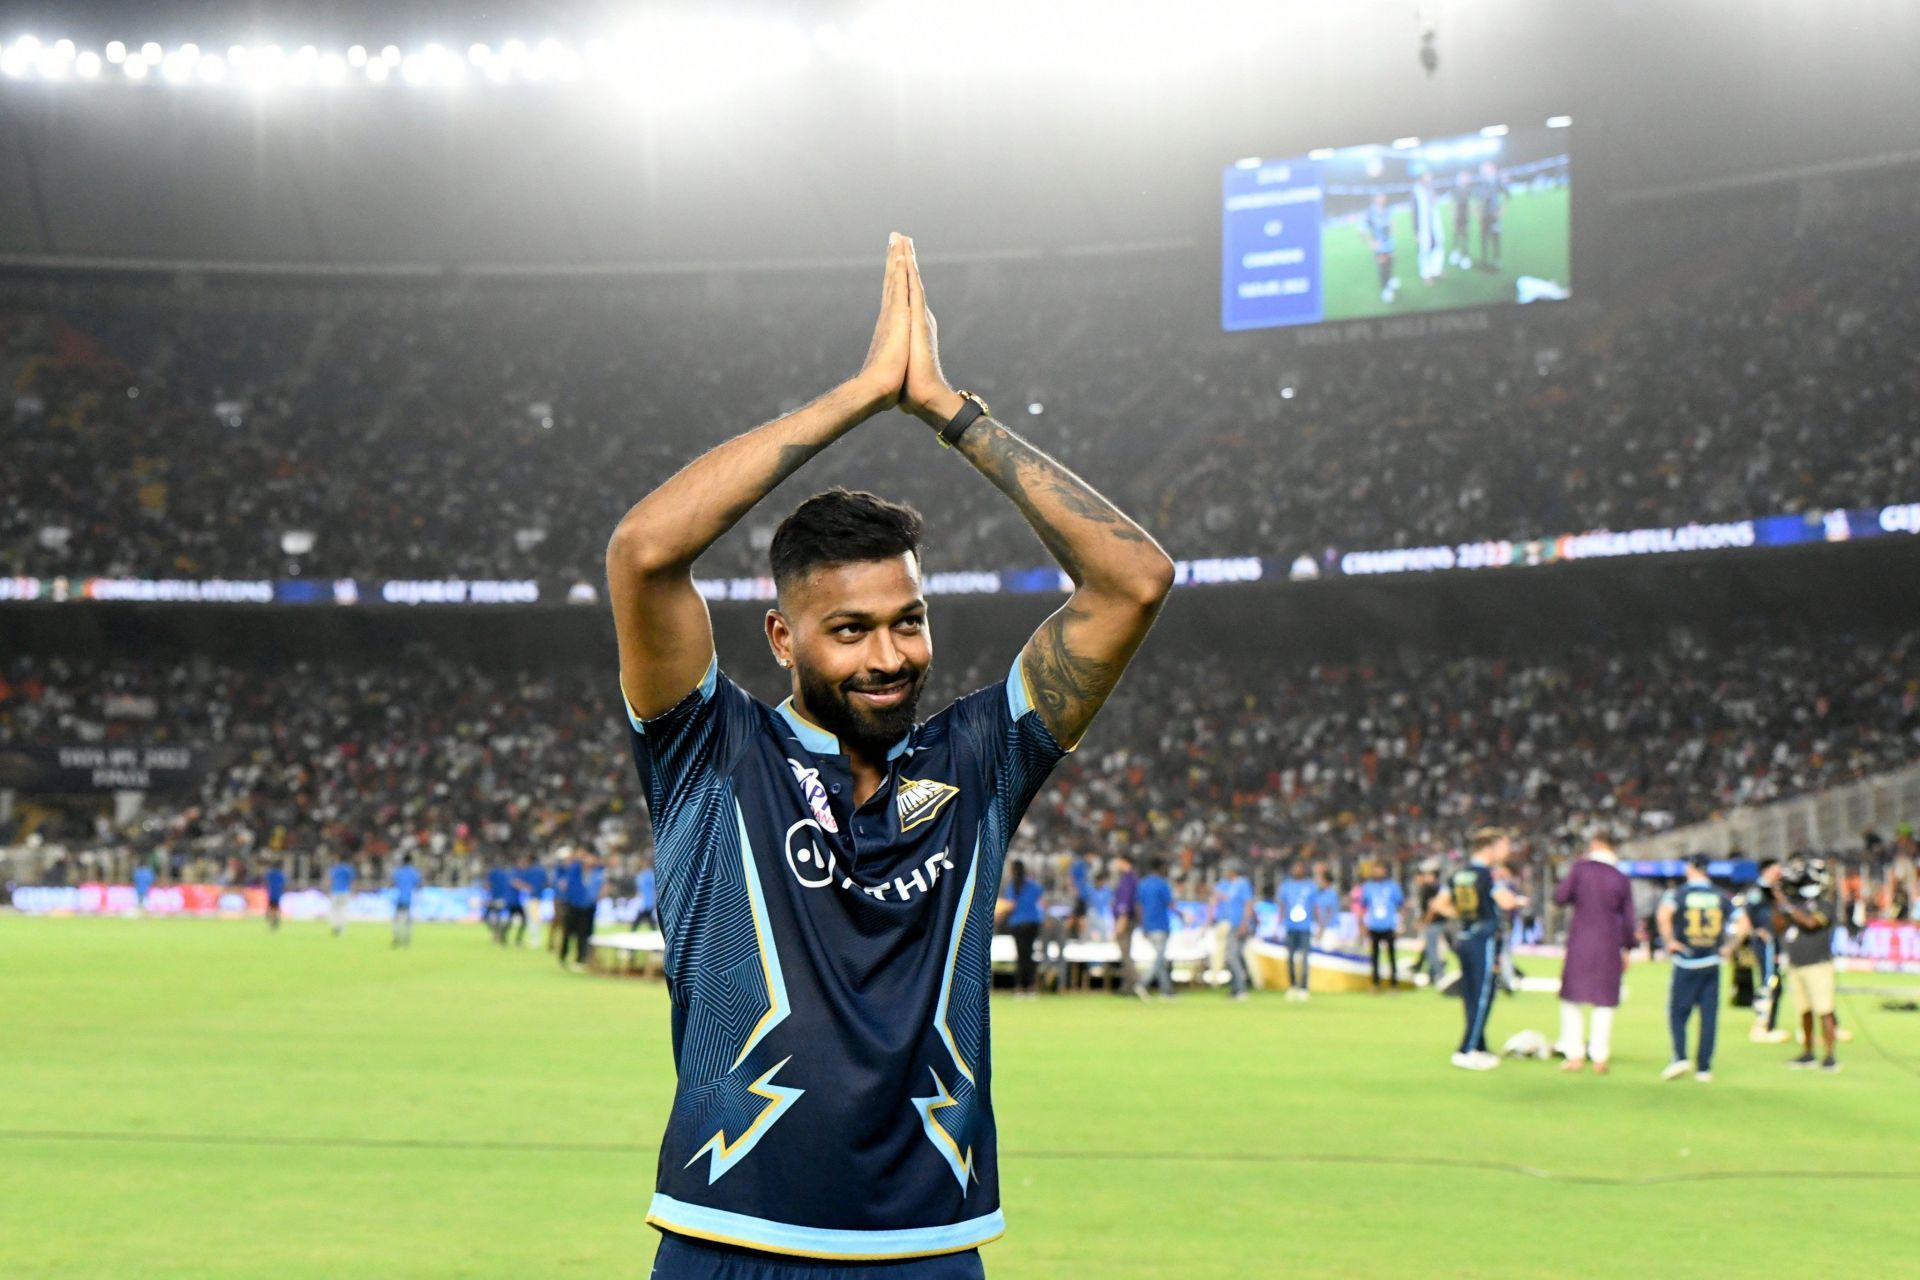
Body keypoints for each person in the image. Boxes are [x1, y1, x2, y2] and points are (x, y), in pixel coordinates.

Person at [605, 234, 1172, 1272]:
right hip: (731, 1238)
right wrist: (863, 394)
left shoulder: (980, 758)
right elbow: (644, 552)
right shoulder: (710, 748)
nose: (889, 654)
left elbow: (1133, 579)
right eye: (850, 627)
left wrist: (952, 416)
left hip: (928, 1246)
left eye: (907, 620)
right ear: (784, 637)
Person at [1434, 829, 1522, 1070]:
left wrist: (1462, 915)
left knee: (1471, 994)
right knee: (1483, 993)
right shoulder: (1489, 875)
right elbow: (1505, 901)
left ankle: (1479, 1045)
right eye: (1504, 846)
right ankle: (1467, 1049)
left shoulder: (1459, 873)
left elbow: (1440, 904)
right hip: (1485, 938)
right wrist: (1517, 900)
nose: (1507, 852)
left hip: (1464, 936)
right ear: (1489, 847)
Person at [1657, 854, 1750, 1083]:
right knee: (1709, 1015)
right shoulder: (1719, 895)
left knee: (1678, 1012)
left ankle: (1680, 1056)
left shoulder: (1679, 893)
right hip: (1711, 960)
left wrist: (1670, 941)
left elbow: (1663, 915)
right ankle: (1704, 1067)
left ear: (1690, 868)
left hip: (1686, 960)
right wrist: (1730, 946)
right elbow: (1744, 923)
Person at [1553, 830, 1637, 1074]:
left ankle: (1574, 1054)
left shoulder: (1581, 870)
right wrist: (1628, 948)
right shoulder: (1621, 877)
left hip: (1580, 941)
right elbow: (1629, 919)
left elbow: (1560, 896)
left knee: (1571, 999)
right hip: (1610, 943)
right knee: (1605, 1001)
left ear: (1596, 844)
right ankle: (1600, 1056)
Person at [1778, 867, 1841, 1072]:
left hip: (1818, 965)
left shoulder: (1825, 905)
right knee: (1804, 1011)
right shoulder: (1797, 904)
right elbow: (1780, 926)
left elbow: (1811, 923)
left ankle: (1830, 1055)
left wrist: (1787, 907)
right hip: (1797, 965)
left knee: (1824, 1010)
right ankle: (1808, 1053)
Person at [1743, 859, 1789, 1042]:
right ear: (1766, 870)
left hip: (1777, 942)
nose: (1779, 872)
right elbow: (1746, 913)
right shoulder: (1757, 891)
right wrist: (1758, 930)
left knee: (1774, 982)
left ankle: (1767, 1022)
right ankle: (1763, 1024)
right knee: (1769, 981)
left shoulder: (1775, 891)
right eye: (1776, 869)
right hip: (1766, 944)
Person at [996, 860, 1045, 997]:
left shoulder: (1013, 887)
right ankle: (1031, 986)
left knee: (1021, 956)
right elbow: (1041, 901)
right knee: (1029, 954)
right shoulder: (1033, 885)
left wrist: (1000, 914)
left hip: (1018, 923)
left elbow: (1011, 905)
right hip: (1033, 922)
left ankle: (1019, 987)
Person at [1210, 861, 1254, 1000]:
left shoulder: (1243, 884)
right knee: (1233, 956)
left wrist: (1244, 924)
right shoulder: (1230, 885)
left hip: (1238, 924)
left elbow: (1248, 904)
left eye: (1227, 870)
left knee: (1232, 956)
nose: (1225, 872)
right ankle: (1236, 987)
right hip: (1231, 924)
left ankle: (1241, 988)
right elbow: (1220, 897)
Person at [1135, 857, 1177, 1000]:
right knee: (1159, 959)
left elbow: (1139, 907)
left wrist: (1143, 926)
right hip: (1160, 925)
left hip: (1148, 925)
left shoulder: (1143, 884)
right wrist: (1183, 915)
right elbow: (1170, 903)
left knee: (1160, 958)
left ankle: (1167, 991)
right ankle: (1142, 983)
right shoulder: (1162, 884)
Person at [1360, 861, 1405, 990]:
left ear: (1385, 871)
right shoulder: (1368, 886)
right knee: (1374, 957)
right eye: (1375, 870)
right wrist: (1362, 925)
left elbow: (1401, 906)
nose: (1377, 872)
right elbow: (1363, 907)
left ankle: (1393, 984)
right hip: (1373, 926)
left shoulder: (1392, 886)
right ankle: (1375, 983)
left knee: (1391, 956)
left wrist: (1400, 924)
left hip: (1389, 925)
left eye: (1379, 869)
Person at [1277, 859, 1318, 1001]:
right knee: (1290, 958)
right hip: (1290, 927)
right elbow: (1282, 906)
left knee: (1305, 958)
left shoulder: (1311, 886)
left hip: (1305, 927)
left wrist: (1317, 924)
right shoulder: (1286, 886)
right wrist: (1278, 924)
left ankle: (1304, 988)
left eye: (1300, 868)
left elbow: (1315, 906)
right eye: (1295, 868)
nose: (1297, 870)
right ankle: (1292, 986)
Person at [557, 849, 601, 971]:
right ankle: (563, 956)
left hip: (587, 908)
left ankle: (580, 959)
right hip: (573, 905)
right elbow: (563, 870)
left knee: (584, 934)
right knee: (567, 933)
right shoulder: (574, 870)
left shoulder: (597, 873)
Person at [1415, 861, 1449, 990]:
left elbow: (1432, 907)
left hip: (1434, 922)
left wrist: (1425, 921)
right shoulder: (1438, 887)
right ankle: (1432, 973)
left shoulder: (1429, 888)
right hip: (1439, 921)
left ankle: (1439, 975)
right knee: (1430, 949)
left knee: (1432, 949)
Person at [1109, 854, 1139, 993]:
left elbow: (1125, 903)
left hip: (1124, 920)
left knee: (1125, 953)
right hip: (1125, 919)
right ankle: (1128, 986)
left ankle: (1137, 983)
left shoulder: (1127, 880)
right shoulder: (1128, 878)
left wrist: (1121, 921)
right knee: (1126, 953)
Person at [1363, 192, 1398, 304]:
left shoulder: (1386, 209)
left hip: (1389, 243)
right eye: (1380, 196)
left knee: (1390, 262)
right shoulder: (1370, 212)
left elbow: (1388, 223)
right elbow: (1361, 228)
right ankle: (1385, 289)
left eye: (1384, 196)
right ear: (1375, 198)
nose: (1383, 198)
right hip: (1380, 246)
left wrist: (1392, 225)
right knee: (1383, 267)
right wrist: (1371, 241)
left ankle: (1390, 281)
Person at [1411, 168, 1444, 285]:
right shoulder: (1415, 191)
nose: (1429, 178)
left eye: (1430, 176)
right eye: (1427, 176)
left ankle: (1436, 270)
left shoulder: (1430, 189)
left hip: (1434, 225)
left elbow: (1434, 204)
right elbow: (1414, 213)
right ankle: (1426, 274)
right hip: (1423, 227)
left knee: (1438, 246)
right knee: (1424, 250)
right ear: (1421, 178)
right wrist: (1416, 231)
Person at [391, 853, 421, 949]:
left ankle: (396, 937)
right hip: (408, 898)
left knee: (397, 919)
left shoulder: (398, 872)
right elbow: (418, 885)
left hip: (399, 898)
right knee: (408, 920)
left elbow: (393, 883)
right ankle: (406, 939)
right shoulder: (414, 872)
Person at [1449, 170, 1474, 269]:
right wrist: (1453, 214)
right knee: (1456, 234)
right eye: (1463, 177)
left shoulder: (1469, 189)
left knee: (1465, 235)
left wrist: (1471, 212)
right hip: (1457, 216)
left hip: (1466, 216)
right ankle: (1455, 252)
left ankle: (1465, 255)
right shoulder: (1455, 189)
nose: (1465, 179)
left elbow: (1471, 202)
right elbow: (1451, 202)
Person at [327, 856, 355, 937]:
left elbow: (330, 881)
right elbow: (352, 881)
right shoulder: (348, 869)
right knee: (343, 910)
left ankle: (335, 926)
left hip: (335, 891)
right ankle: (342, 929)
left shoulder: (335, 869)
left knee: (334, 910)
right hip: (345, 892)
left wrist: (328, 890)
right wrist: (353, 891)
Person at [630, 857, 657, 932]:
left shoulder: (649, 874)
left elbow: (654, 885)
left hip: (648, 898)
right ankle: (653, 929)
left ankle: (633, 929)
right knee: (647, 915)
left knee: (643, 913)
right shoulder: (641, 874)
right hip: (642, 898)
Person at [264, 861, 286, 932]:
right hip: (277, 894)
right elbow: (283, 884)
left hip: (271, 893)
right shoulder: (280, 874)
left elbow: (267, 882)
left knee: (271, 907)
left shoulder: (270, 874)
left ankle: (272, 919)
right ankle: (275, 919)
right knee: (276, 908)